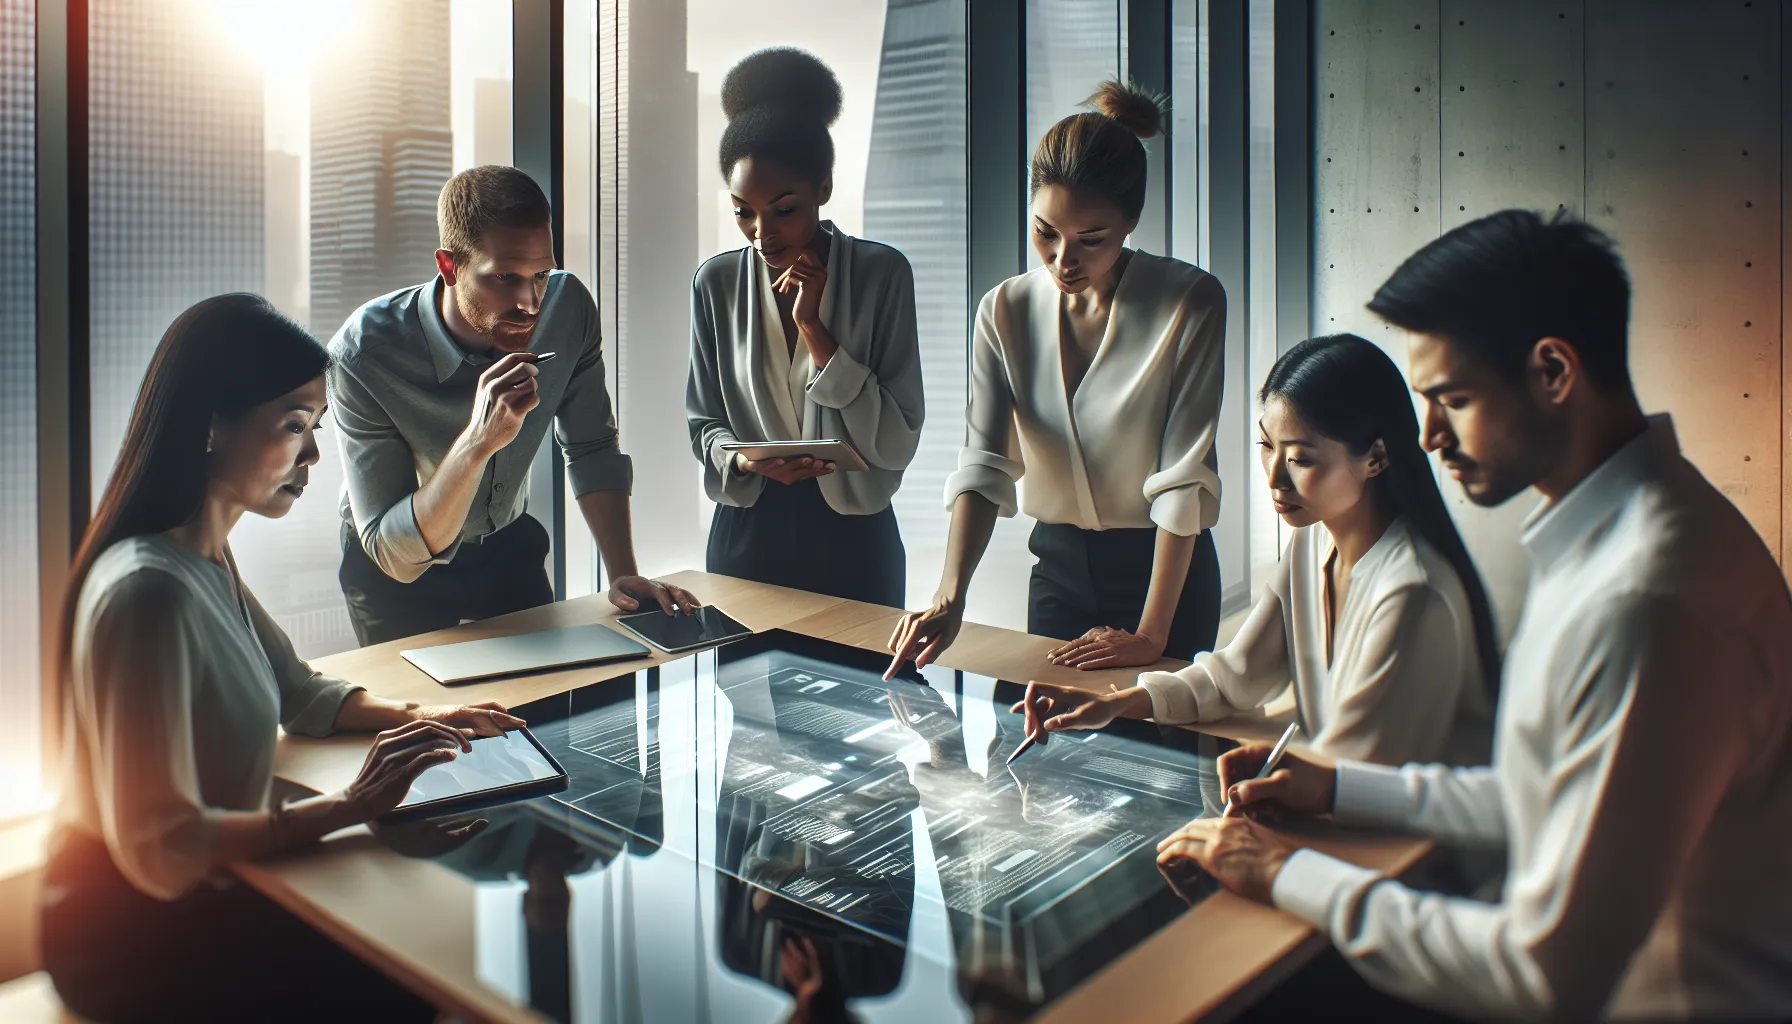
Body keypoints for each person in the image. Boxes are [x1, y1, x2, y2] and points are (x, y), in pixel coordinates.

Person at [1157, 210, 1792, 1020]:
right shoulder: (1611, 535)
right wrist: (1339, 786)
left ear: (1553, 371)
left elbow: (1542, 976)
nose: (1425, 437)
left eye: (1451, 399)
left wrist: (1282, 871)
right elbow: (1541, 794)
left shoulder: (1647, 599)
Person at [40, 294, 530, 1022]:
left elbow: (299, 691)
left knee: (427, 944)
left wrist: (427, 716)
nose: (312, 455)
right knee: (423, 978)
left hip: (209, 886)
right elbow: (162, 849)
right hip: (130, 937)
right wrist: (350, 807)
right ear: (211, 425)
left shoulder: (204, 557)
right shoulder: (147, 590)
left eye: (317, 428)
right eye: (293, 426)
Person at [1011, 334, 1499, 768]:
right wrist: (1114, 703)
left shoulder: (1412, 589)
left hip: (1415, 850)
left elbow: (1360, 771)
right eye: (1267, 447)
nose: (1274, 478)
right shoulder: (1312, 542)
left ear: (1376, 458)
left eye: (1300, 459)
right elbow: (1233, 680)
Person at [887, 80, 1226, 677]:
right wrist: (950, 596)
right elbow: (985, 464)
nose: (1063, 261)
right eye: (1045, 231)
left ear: (1130, 222)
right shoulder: (1004, 310)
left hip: (1164, 576)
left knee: (1162, 758)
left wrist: (1151, 636)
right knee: (1043, 757)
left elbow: (1184, 479)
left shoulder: (1189, 301)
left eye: (1090, 240)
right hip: (1058, 569)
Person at [328, 165, 697, 647]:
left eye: (540, 274)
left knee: (549, 705)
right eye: (505, 278)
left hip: (506, 544)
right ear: (449, 266)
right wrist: (478, 442)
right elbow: (391, 554)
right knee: (427, 717)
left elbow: (592, 446)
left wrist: (624, 573)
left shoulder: (567, 307)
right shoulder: (363, 353)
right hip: (396, 567)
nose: (530, 303)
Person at [687, 47, 923, 605]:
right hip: (747, 530)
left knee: (867, 692)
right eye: (744, 210)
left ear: (824, 189)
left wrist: (814, 329)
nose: (761, 232)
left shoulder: (880, 273)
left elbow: (896, 440)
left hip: (854, 536)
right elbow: (704, 423)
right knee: (743, 690)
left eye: (784, 209)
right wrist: (743, 458)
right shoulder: (716, 283)